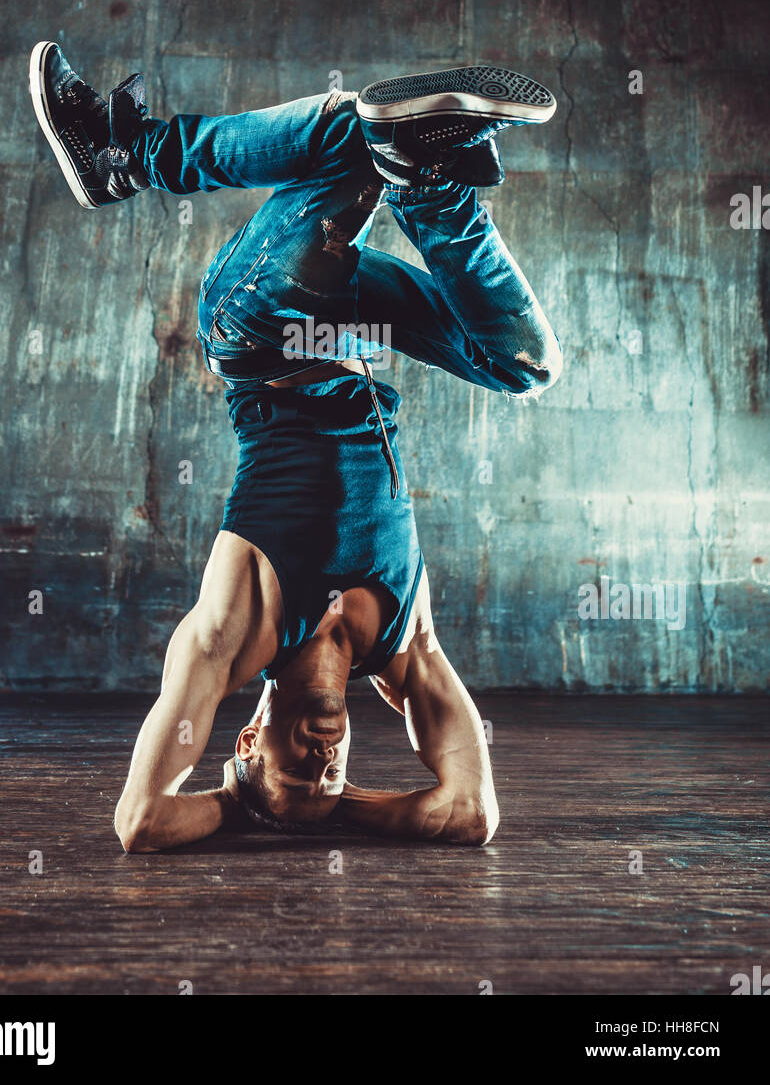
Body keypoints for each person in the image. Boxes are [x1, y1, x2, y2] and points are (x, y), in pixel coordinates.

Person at [29, 43, 563, 846]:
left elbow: (141, 822)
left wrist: (252, 803)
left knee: (349, 133)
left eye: (298, 771)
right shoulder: (403, 646)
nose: (326, 762)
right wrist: (322, 813)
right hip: (351, 326)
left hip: (258, 324)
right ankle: (426, 179)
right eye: (336, 775)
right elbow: (468, 813)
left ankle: (125, 157)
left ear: (247, 742)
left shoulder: (234, 636)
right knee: (522, 363)